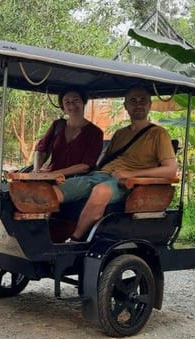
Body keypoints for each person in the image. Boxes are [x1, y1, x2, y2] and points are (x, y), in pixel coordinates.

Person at [53, 85, 177, 242]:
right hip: (99, 176)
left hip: (126, 183)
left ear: (149, 105)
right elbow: (104, 162)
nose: (138, 104)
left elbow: (170, 170)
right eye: (133, 100)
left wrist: (131, 174)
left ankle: (75, 240)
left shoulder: (158, 134)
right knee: (54, 190)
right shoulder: (120, 134)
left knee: (101, 191)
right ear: (126, 106)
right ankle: (43, 235)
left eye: (142, 100)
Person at [32, 88, 103, 178]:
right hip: (50, 177)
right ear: (63, 106)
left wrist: (52, 174)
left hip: (77, 180)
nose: (72, 106)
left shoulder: (95, 133)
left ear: (83, 102)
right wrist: (36, 171)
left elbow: (85, 166)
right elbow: (41, 149)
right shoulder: (57, 125)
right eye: (67, 102)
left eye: (76, 100)